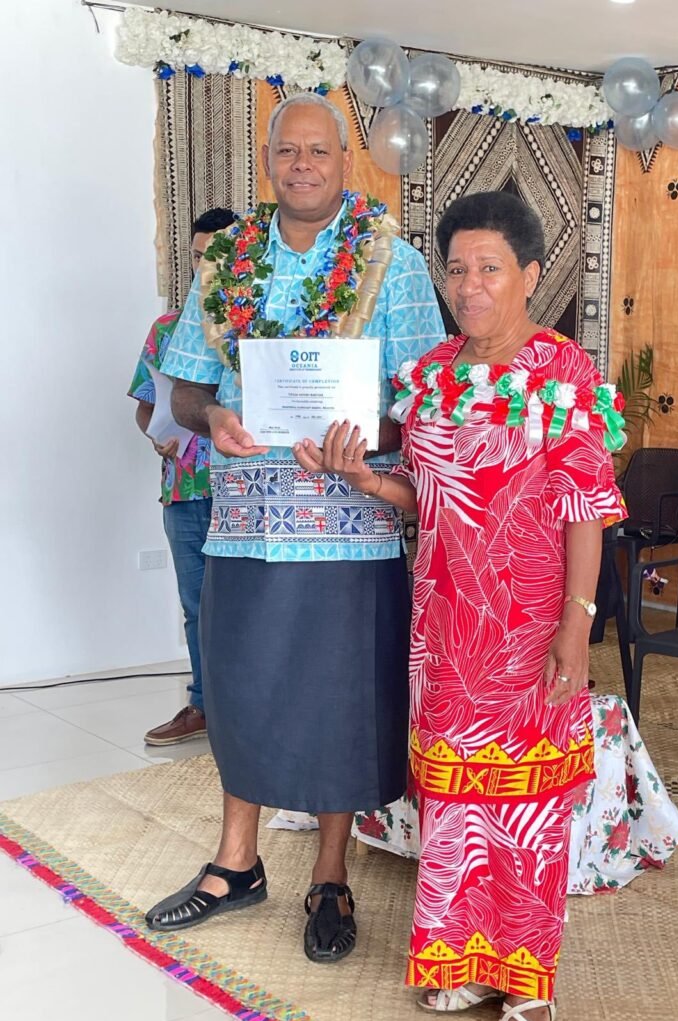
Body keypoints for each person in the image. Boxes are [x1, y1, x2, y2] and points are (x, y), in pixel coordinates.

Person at [294, 191, 626, 1021]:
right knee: (456, 802)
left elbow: (586, 508)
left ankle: (529, 981)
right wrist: (367, 480)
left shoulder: (562, 372)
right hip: (444, 625)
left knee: (527, 807)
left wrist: (577, 624)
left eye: (490, 268)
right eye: (457, 269)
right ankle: (469, 962)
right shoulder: (434, 375)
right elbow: (428, 494)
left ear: (531, 275)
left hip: (531, 624)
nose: (470, 286)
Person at [143, 93, 445, 961]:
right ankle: (235, 864)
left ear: (346, 162)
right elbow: (186, 387)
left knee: (341, 700)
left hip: (350, 527)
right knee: (239, 690)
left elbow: (423, 398)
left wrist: (366, 440)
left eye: (318, 151)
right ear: (268, 161)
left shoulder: (393, 263)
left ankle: (331, 876)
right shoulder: (227, 260)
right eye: (287, 152)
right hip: (243, 524)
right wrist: (212, 420)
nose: (302, 165)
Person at [129, 207, 235, 745]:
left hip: (245, 491)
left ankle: (246, 712)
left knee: (247, 604)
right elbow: (146, 406)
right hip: (184, 489)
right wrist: (156, 437)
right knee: (197, 607)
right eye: (196, 258)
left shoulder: (254, 327)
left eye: (214, 258)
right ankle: (203, 706)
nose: (203, 268)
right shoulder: (167, 329)